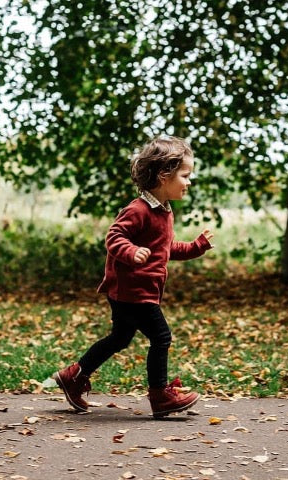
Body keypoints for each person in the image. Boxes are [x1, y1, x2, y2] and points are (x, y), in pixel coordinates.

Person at [53, 135, 214, 419]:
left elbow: (163, 249)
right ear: (164, 175)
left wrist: (195, 247)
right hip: (132, 292)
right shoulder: (138, 209)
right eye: (185, 175)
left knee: (119, 338)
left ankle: (73, 376)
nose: (189, 182)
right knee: (161, 337)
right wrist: (130, 252)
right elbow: (114, 236)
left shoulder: (164, 212)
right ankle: (160, 395)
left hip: (137, 291)